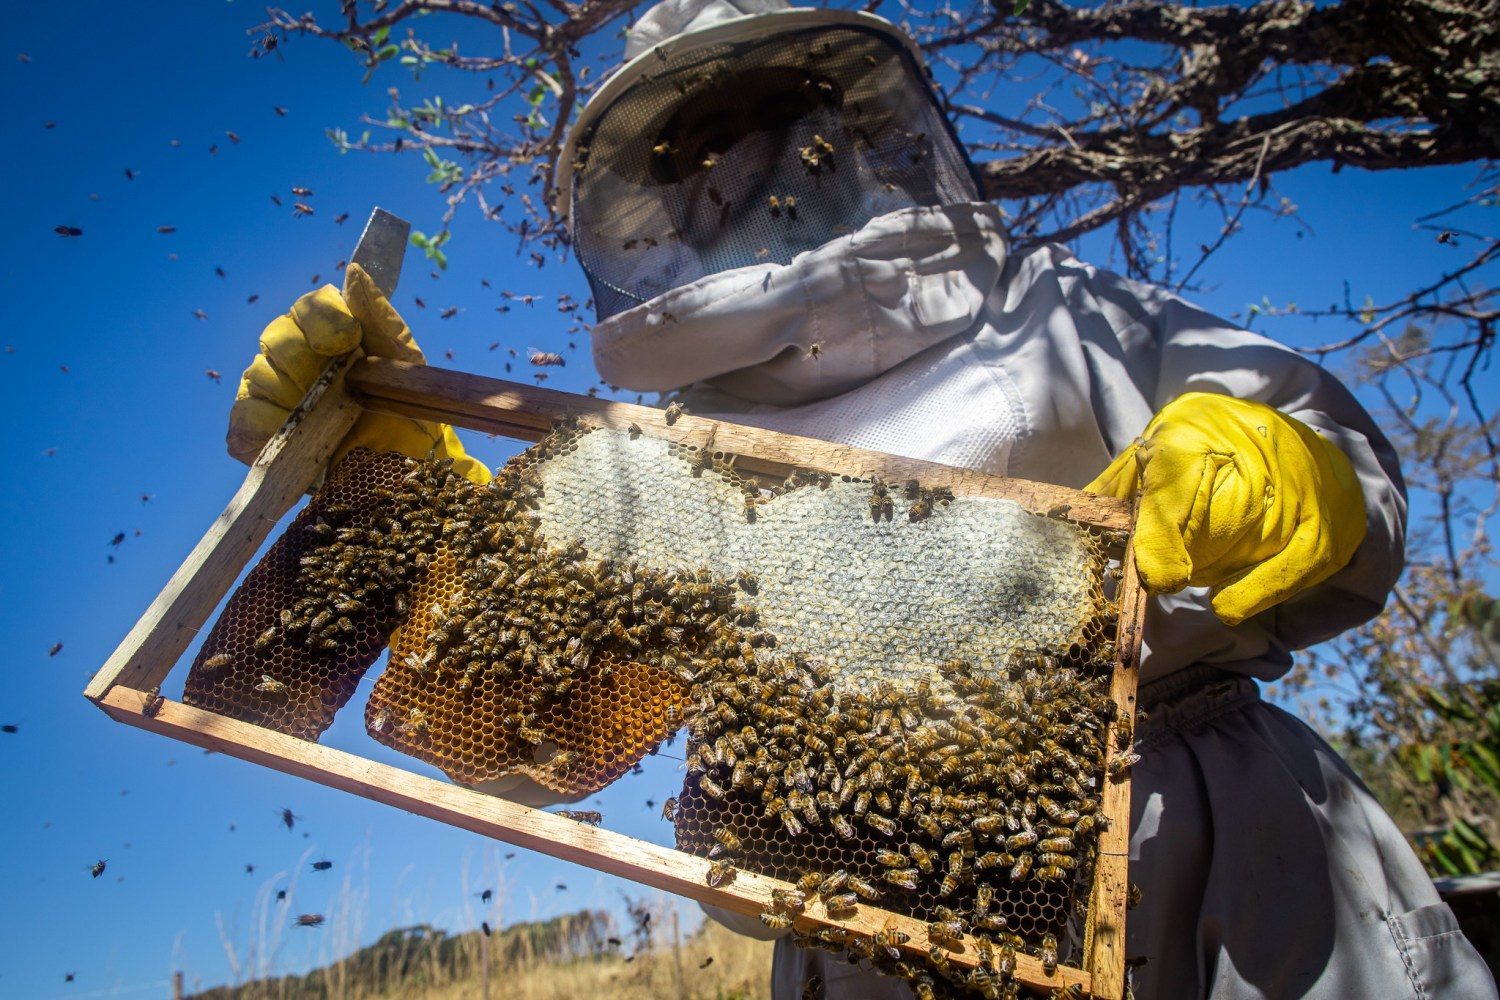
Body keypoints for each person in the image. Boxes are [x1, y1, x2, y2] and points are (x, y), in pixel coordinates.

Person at [227, 0, 1496, 995]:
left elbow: (1328, 453)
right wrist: (406, 494)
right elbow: (519, 727)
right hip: (872, 915)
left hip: (1209, 844)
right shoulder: (655, 460)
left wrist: (1289, 459)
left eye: (773, 122)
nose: (745, 170)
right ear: (654, 211)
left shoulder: (1056, 308)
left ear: (856, 129)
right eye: (698, 154)